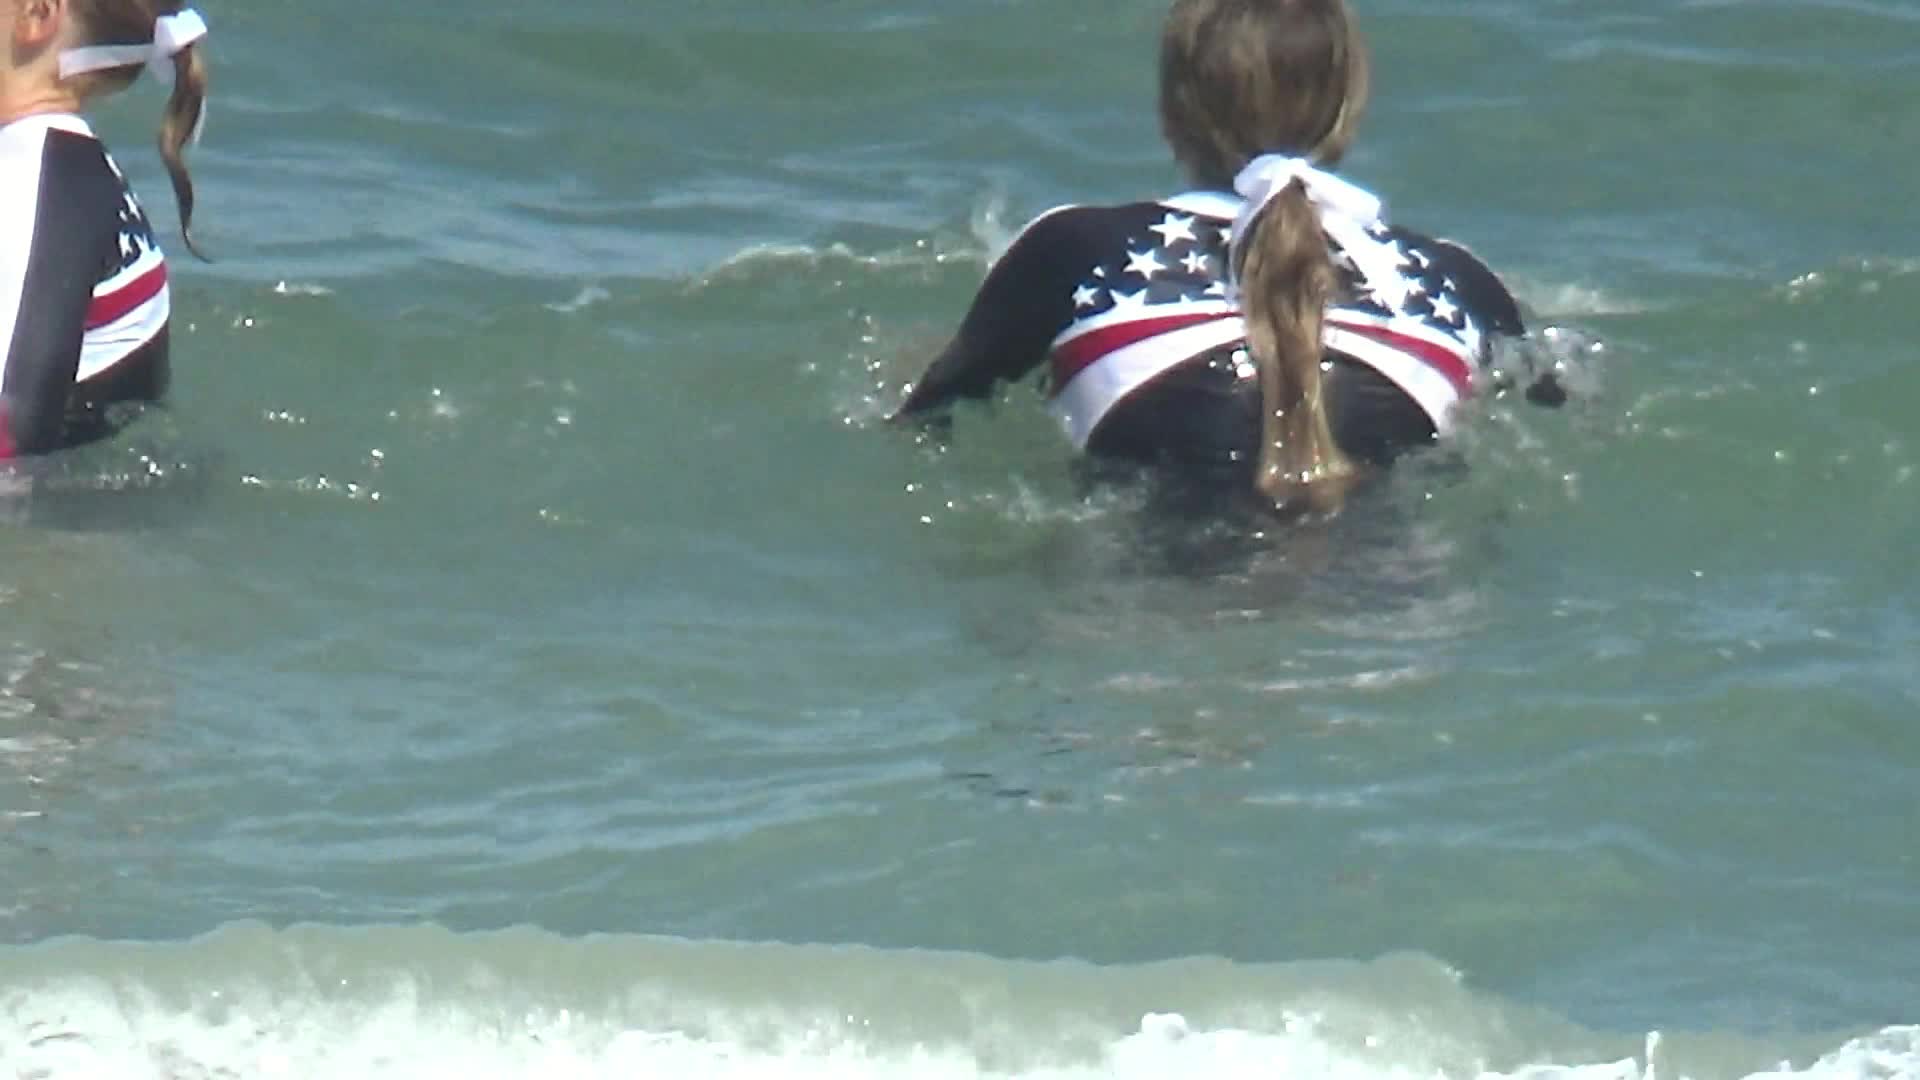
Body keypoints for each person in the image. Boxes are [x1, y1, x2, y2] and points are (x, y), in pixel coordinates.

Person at [894, 0, 1561, 516]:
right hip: (1399, 625)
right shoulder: (1458, 282)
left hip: (1141, 624)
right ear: (1348, 113)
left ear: (1170, 113)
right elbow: (1555, 407)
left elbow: (929, 414)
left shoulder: (1073, 250)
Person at [0, 0, 209, 460]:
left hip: (49, 499)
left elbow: (11, 438)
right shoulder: (69, 168)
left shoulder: (27, 181)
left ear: (38, 15)